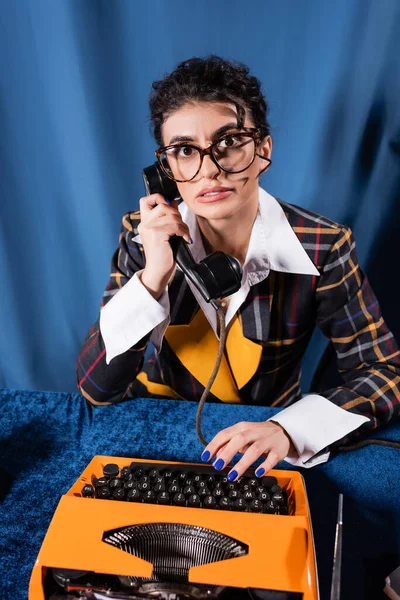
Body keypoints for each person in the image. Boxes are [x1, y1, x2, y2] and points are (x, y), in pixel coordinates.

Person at [76, 55, 400, 482]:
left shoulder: (323, 246)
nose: (209, 169)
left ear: (262, 150)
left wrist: (288, 429)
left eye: (228, 141)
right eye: (186, 151)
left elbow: (383, 372)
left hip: (262, 437)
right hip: (156, 427)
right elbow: (97, 389)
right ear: (166, 170)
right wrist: (153, 278)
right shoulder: (143, 235)